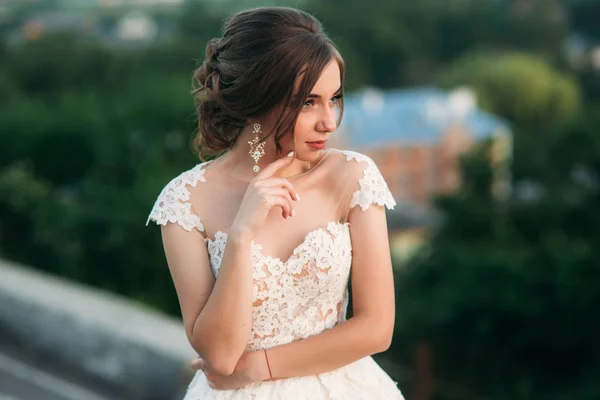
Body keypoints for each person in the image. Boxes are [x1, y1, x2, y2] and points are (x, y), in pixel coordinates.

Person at [147, 6, 404, 399]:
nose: (329, 121)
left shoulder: (352, 177)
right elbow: (218, 356)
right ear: (257, 100)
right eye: (307, 103)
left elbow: (377, 327)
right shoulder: (185, 202)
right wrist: (241, 234)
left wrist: (259, 366)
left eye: (333, 98)